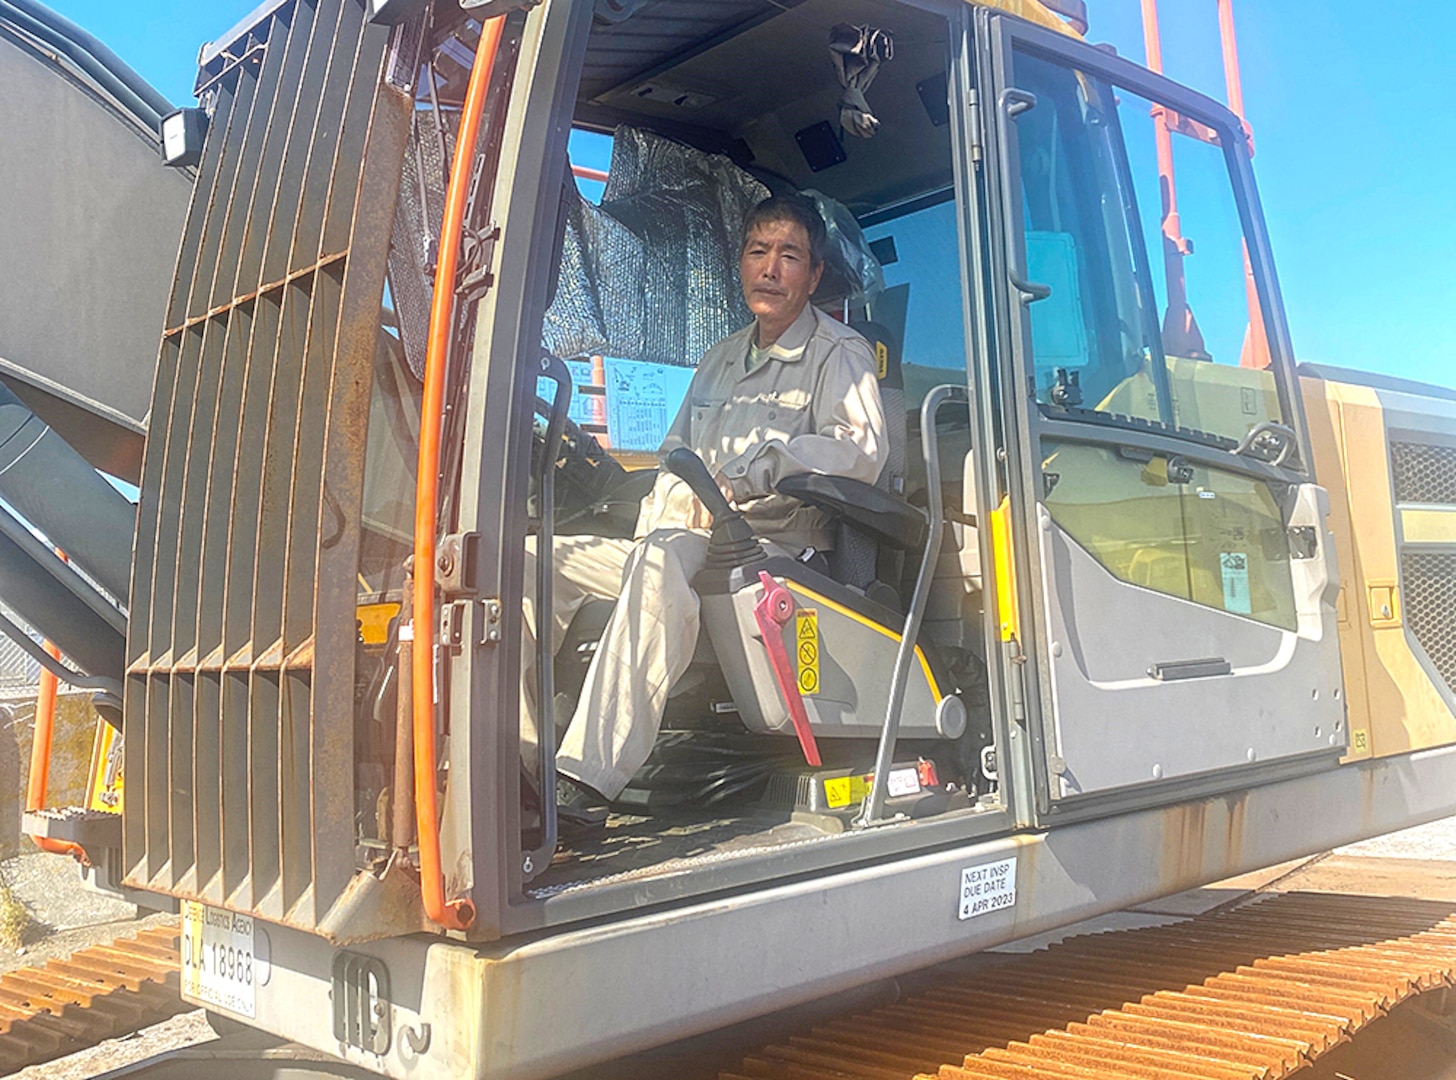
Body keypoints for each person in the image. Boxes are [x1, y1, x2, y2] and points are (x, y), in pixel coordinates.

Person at [523, 194, 887, 819]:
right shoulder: (720, 358)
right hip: (684, 537)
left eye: (789, 256)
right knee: (529, 560)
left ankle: (584, 782)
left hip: (765, 550)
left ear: (815, 276)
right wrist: (667, 500)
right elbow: (674, 452)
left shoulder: (840, 354)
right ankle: (522, 758)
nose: (770, 268)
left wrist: (749, 474)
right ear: (741, 264)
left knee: (663, 558)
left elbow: (860, 451)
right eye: (757, 252)